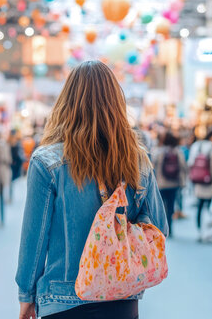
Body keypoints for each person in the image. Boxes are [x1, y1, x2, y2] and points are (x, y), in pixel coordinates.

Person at [16, 61, 168, 319]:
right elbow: (159, 228)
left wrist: (26, 295)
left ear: (67, 103)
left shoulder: (47, 162)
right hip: (122, 297)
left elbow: (35, 239)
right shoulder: (137, 161)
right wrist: (124, 223)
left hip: (63, 299)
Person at [188, 128, 212, 240]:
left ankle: (200, 231)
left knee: (199, 207)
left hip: (199, 182)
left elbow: (190, 163)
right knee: (210, 208)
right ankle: (208, 232)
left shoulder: (197, 146)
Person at [151, 131, 187, 237]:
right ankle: (169, 229)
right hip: (174, 184)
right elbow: (183, 167)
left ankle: (161, 227)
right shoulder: (178, 152)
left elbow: (152, 167)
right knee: (171, 207)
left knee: (161, 206)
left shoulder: (158, 151)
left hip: (160, 183)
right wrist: (183, 182)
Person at [9, 130, 25, 202]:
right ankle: (10, 196)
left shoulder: (15, 143)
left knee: (11, 182)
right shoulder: (14, 143)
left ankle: (10, 197)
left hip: (13, 164)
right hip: (13, 164)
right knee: (11, 182)